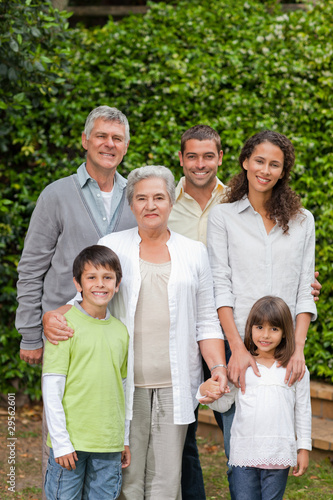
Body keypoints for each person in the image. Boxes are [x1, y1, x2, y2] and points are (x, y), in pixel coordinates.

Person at [43, 165, 229, 500]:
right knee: (125, 479)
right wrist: (51, 318)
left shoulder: (194, 252)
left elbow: (206, 320)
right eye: (141, 198)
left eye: (159, 197)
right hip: (123, 384)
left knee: (166, 482)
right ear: (131, 205)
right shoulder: (113, 245)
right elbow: (85, 297)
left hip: (175, 384)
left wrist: (217, 369)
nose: (150, 205)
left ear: (171, 201)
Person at [15, 105, 136, 498]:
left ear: (126, 146)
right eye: (101, 136)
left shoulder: (134, 198)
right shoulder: (57, 194)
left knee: (104, 418)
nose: (108, 144)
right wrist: (31, 332)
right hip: (64, 332)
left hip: (112, 330)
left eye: (117, 138)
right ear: (85, 140)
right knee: (63, 430)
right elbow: (32, 267)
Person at [207, 130, 317, 498]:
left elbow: (304, 290)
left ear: (283, 171)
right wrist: (236, 348)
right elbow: (220, 286)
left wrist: (297, 349)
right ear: (244, 161)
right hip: (239, 348)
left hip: (284, 351)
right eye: (259, 161)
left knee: (275, 450)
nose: (265, 170)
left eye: (275, 164)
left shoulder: (303, 222)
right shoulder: (223, 217)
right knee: (238, 454)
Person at [198, 296, 312, 500]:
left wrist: (303, 448)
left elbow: (303, 410)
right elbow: (223, 404)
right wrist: (205, 391)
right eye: (259, 327)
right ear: (250, 328)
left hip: (278, 455)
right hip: (244, 455)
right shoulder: (241, 367)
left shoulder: (295, 369)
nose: (265, 335)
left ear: (286, 332)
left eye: (274, 329)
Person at [43, 245, 130, 499]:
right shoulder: (63, 326)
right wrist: (60, 443)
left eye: (107, 277)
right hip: (71, 444)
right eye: (91, 277)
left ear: (117, 283)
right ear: (77, 283)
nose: (99, 284)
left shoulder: (120, 331)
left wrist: (123, 438)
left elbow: (122, 389)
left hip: (109, 445)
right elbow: (52, 389)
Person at [168, 124, 226, 499]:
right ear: (181, 158)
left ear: (220, 157)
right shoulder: (162, 202)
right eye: (192, 156)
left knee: (237, 424)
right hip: (182, 330)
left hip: (232, 332)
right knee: (182, 430)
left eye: (208, 156)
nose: (200, 164)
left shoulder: (240, 200)